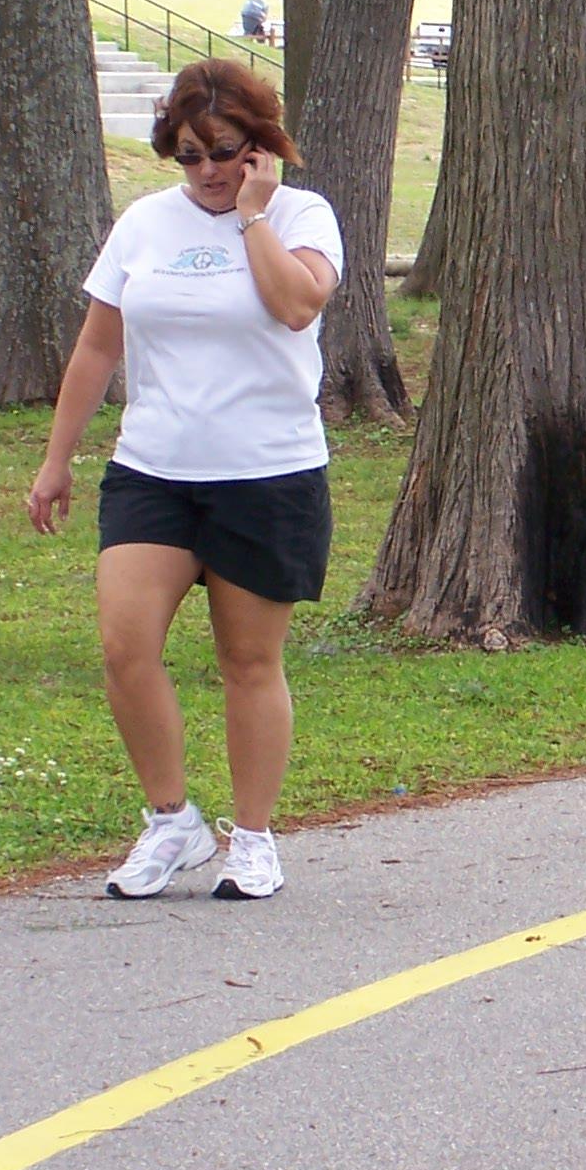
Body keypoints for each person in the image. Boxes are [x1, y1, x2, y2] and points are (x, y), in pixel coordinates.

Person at [27, 61, 343, 903]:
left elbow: (297, 306)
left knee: (248, 661)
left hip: (267, 472)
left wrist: (251, 219)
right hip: (153, 470)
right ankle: (172, 822)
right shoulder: (143, 225)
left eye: (225, 153)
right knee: (126, 649)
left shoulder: (302, 215)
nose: (206, 171)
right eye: (190, 155)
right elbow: (99, 348)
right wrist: (58, 460)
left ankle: (255, 839)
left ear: (260, 148)